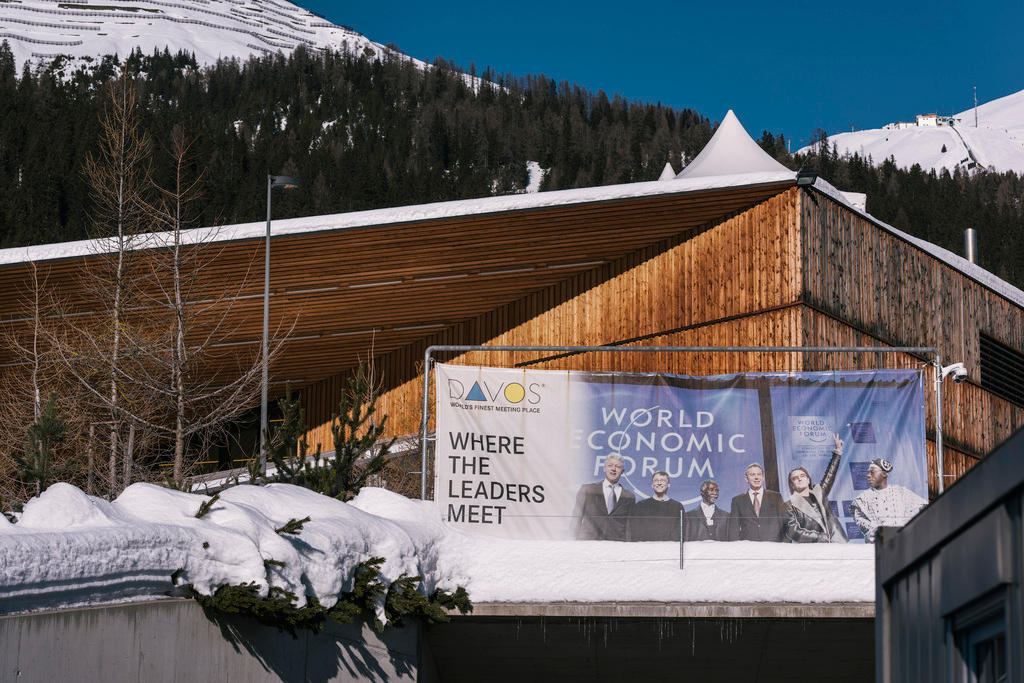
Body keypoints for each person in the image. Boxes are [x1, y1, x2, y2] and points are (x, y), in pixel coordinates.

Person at [784, 434, 848, 543]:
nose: (799, 478)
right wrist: (819, 537)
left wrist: (837, 452)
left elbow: (830, 475)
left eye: (802, 475)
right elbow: (793, 531)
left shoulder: (819, 492)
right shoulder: (789, 506)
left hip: (838, 541)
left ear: (808, 480)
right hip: (815, 549)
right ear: (792, 485)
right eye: (795, 478)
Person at [850, 458, 927, 543]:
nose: (868, 475)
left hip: (903, 544)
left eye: (872, 472)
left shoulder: (902, 492)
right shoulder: (862, 499)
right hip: (878, 549)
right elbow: (866, 526)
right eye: (868, 473)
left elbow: (923, 508)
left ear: (884, 474)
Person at [571, 454, 635, 540]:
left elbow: (629, 527)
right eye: (610, 465)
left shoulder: (629, 496)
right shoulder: (587, 489)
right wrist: (571, 542)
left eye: (618, 466)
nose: (613, 469)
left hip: (616, 545)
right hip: (588, 543)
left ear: (622, 471)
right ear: (604, 468)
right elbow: (576, 518)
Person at [726, 463, 786, 542]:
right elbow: (733, 528)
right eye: (752, 475)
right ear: (746, 478)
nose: (756, 477)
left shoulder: (776, 497)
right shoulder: (737, 500)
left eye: (759, 474)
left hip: (773, 546)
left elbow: (784, 524)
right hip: (748, 548)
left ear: (763, 477)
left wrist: (786, 546)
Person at [628, 471, 684, 541]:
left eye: (662, 480)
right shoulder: (641, 506)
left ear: (669, 484)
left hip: (669, 549)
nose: (659, 483)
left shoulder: (677, 507)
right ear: (652, 485)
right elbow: (635, 532)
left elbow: (680, 533)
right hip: (646, 549)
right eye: (656, 480)